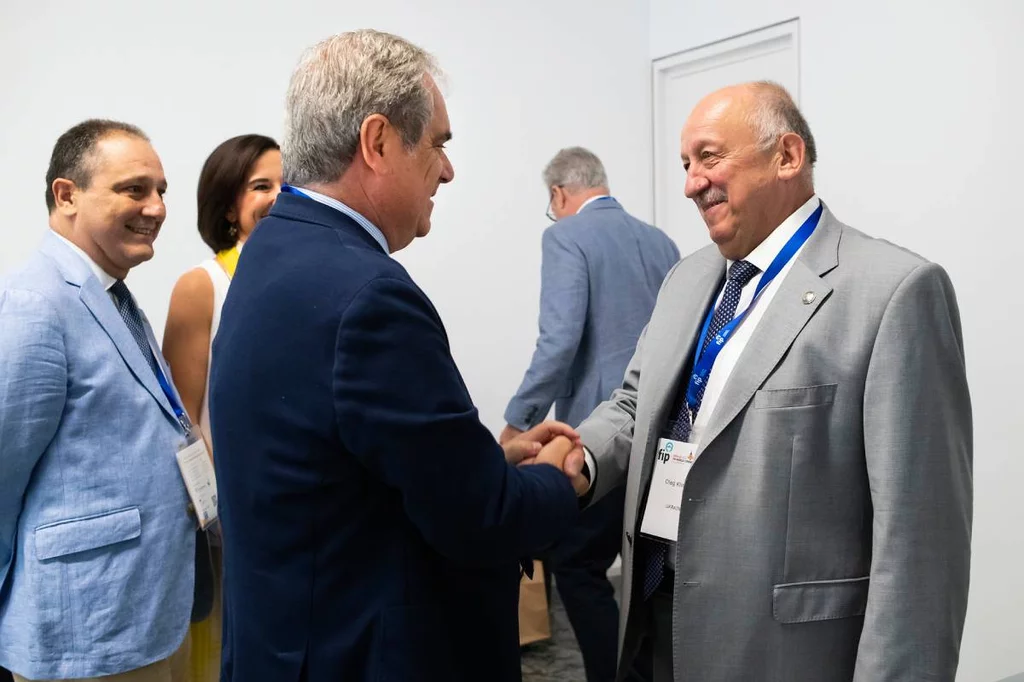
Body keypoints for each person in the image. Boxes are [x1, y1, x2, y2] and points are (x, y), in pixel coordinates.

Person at [551, 82, 973, 681]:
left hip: (780, 654)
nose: (692, 182)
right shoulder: (688, 278)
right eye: (686, 164)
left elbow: (920, 546)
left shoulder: (893, 293)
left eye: (710, 156)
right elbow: (634, 401)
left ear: (787, 156)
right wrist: (583, 456)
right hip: (652, 626)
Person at [209, 30, 587, 682]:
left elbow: (340, 464)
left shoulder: (271, 252)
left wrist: (482, 463)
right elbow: (481, 520)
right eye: (438, 143)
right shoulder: (369, 297)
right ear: (378, 142)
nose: (447, 168)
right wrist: (561, 479)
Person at [0, 120, 195, 681]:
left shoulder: (110, 292)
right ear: (67, 196)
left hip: (143, 612)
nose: (156, 207)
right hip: (81, 628)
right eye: (134, 189)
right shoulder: (33, 304)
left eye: (161, 190)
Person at [500, 147, 678, 682]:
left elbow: (558, 341)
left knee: (577, 565)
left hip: (597, 438)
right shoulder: (660, 241)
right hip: (666, 433)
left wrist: (518, 419)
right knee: (649, 574)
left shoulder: (564, 236)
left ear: (559, 194)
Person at [162, 134, 282, 682]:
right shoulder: (202, 286)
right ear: (228, 204)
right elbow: (182, 423)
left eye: (289, 184)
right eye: (262, 186)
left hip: (307, 513)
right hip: (233, 526)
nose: (281, 196)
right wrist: (225, 513)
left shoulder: (309, 279)